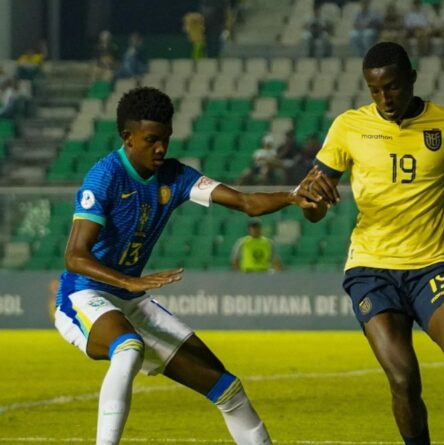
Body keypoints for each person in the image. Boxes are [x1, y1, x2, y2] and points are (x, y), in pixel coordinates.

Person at [53, 87, 321, 444]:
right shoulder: (105, 177)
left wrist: (290, 195)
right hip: (83, 295)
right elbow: (75, 255)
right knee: (128, 348)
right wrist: (127, 281)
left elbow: (245, 202)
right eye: (152, 140)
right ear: (128, 138)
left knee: (229, 390)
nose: (161, 148)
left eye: (165, 139)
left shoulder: (175, 176)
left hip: (130, 299)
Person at [299, 42, 444, 444]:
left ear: (411, 78)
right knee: (404, 378)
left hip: (431, 265)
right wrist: (311, 203)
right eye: (374, 90)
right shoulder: (347, 127)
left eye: (391, 87)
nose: (384, 98)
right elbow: (314, 205)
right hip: (370, 269)